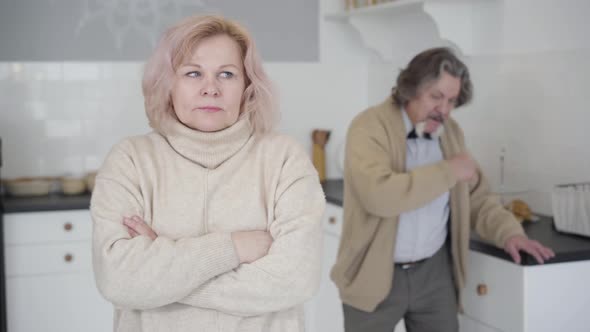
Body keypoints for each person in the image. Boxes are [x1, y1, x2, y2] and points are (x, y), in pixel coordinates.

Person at [91, 15, 325, 332]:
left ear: (247, 85)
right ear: (168, 83)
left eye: (226, 74)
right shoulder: (130, 160)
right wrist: (233, 249)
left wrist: (163, 276)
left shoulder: (284, 158)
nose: (210, 89)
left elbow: (296, 279)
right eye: (193, 73)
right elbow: (118, 279)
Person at [330, 47, 555, 332]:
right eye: (436, 97)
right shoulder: (369, 127)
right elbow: (379, 196)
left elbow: (477, 198)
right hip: (373, 274)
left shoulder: (451, 133)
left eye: (452, 100)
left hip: (434, 275)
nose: (445, 109)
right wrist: (448, 170)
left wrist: (509, 232)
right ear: (410, 89)